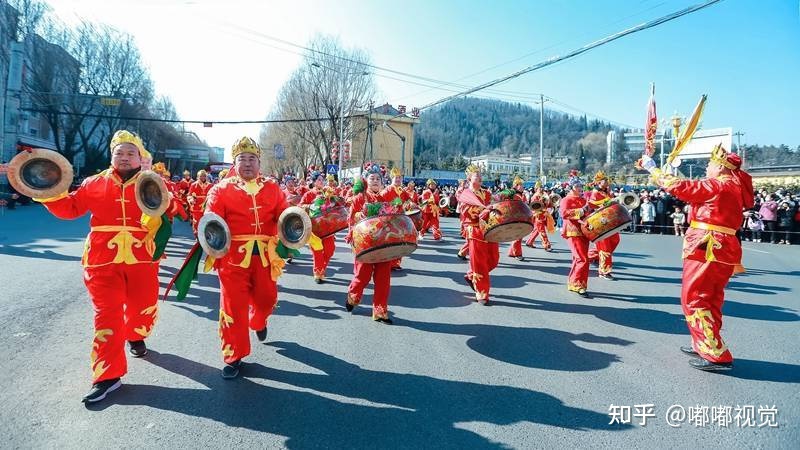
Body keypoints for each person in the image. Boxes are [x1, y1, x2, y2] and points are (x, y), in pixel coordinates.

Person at [34, 130, 162, 402]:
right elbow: (70, 208)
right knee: (107, 315)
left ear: (140, 158)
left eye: (130, 153)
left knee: (143, 308)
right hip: (102, 261)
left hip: (142, 259)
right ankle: (107, 376)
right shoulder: (94, 183)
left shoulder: (152, 183)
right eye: (119, 153)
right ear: (112, 156)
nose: (124, 157)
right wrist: (41, 185)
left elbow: (170, 208)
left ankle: (135, 334)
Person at [644, 144, 754, 371]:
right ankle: (704, 341)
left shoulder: (717, 185)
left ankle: (715, 354)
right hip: (723, 246)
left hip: (708, 245)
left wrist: (652, 169)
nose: (708, 167)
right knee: (711, 297)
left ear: (722, 167)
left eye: (711, 164)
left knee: (694, 296)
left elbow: (680, 186)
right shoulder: (733, 186)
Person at [203, 137, 290, 378]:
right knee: (233, 307)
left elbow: (285, 215)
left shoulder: (272, 188)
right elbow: (210, 222)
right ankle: (233, 356)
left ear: (259, 162)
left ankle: (259, 321)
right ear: (235, 162)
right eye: (243, 159)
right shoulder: (220, 190)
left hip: (264, 255)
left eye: (252, 159)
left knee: (267, 299)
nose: (248, 164)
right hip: (231, 258)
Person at [345, 164, 396, 323]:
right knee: (363, 275)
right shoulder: (360, 197)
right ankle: (353, 296)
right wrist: (363, 213)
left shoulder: (385, 199)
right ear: (366, 181)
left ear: (382, 183)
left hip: (383, 244)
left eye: (378, 179)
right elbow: (352, 218)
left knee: (383, 278)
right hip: (365, 244)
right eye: (372, 178)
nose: (375, 181)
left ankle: (380, 310)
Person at [460, 165, 499, 304]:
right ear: (469, 178)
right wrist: (484, 212)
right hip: (475, 230)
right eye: (477, 175)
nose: (480, 177)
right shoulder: (465, 194)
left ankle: (472, 275)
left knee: (494, 259)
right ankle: (482, 293)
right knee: (480, 263)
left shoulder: (486, 193)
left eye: (481, 175)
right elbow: (465, 212)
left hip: (489, 229)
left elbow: (493, 205)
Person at [301, 171, 337, 282]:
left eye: (322, 179)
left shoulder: (329, 193)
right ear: (314, 182)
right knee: (317, 250)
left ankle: (322, 268)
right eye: (319, 180)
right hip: (314, 228)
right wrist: (313, 205)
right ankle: (318, 273)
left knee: (330, 250)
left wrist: (334, 203)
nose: (321, 182)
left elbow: (336, 206)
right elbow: (301, 206)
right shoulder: (309, 194)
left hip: (327, 227)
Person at [559, 171, 591, 297]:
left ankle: (573, 283)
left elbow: (587, 213)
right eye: (577, 186)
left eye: (581, 186)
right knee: (582, 259)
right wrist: (581, 211)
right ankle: (578, 284)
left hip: (584, 231)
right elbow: (564, 214)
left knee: (578, 259)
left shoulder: (583, 199)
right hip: (573, 231)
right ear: (572, 187)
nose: (580, 188)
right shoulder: (566, 199)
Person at [586, 171, 619, 279]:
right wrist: (609, 202)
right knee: (605, 247)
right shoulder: (595, 193)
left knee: (615, 240)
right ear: (600, 182)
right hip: (601, 223)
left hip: (610, 221)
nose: (607, 182)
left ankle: (589, 256)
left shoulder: (606, 192)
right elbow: (593, 206)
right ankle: (604, 271)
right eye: (605, 180)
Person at [381, 167, 412, 270]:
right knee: (390, 241)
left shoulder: (402, 191)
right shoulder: (387, 190)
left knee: (400, 241)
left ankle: (395, 263)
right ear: (391, 179)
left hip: (400, 219)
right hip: (389, 220)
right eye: (396, 178)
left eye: (399, 177)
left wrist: (410, 204)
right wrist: (392, 206)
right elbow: (381, 204)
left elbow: (408, 200)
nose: (398, 179)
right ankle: (388, 263)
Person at [524, 181, 554, 251]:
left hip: (544, 215)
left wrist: (551, 202)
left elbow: (548, 204)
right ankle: (547, 245)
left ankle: (529, 242)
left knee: (537, 230)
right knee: (542, 231)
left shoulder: (544, 195)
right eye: (540, 187)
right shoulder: (535, 196)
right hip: (538, 216)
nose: (541, 188)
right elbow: (534, 206)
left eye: (542, 187)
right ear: (536, 188)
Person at [505, 176, 527, 261]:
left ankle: (512, 252)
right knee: (518, 236)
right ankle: (517, 253)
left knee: (518, 236)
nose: (523, 187)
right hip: (515, 217)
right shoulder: (512, 194)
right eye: (521, 185)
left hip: (521, 217)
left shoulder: (522, 195)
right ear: (516, 185)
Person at [187, 170, 212, 235]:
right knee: (196, 222)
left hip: (207, 206)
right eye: (201, 176)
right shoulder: (193, 185)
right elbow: (189, 195)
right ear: (198, 177)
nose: (203, 177)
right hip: (196, 206)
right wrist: (191, 199)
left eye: (204, 176)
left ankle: (205, 236)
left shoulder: (210, 185)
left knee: (206, 222)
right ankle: (197, 236)